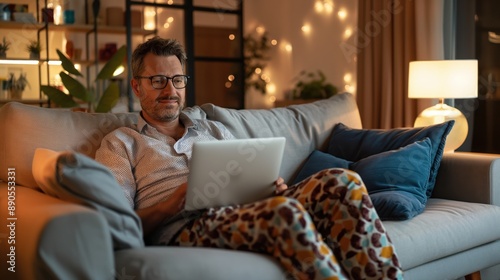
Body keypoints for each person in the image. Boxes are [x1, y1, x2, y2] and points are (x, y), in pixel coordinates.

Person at [95, 36, 403, 280]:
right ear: (137, 86)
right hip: (184, 226)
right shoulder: (121, 143)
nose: (171, 90)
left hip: (244, 210)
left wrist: (269, 187)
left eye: (177, 80)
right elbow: (116, 225)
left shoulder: (212, 129)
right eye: (158, 80)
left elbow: (249, 173)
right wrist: (173, 201)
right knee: (282, 212)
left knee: (342, 181)